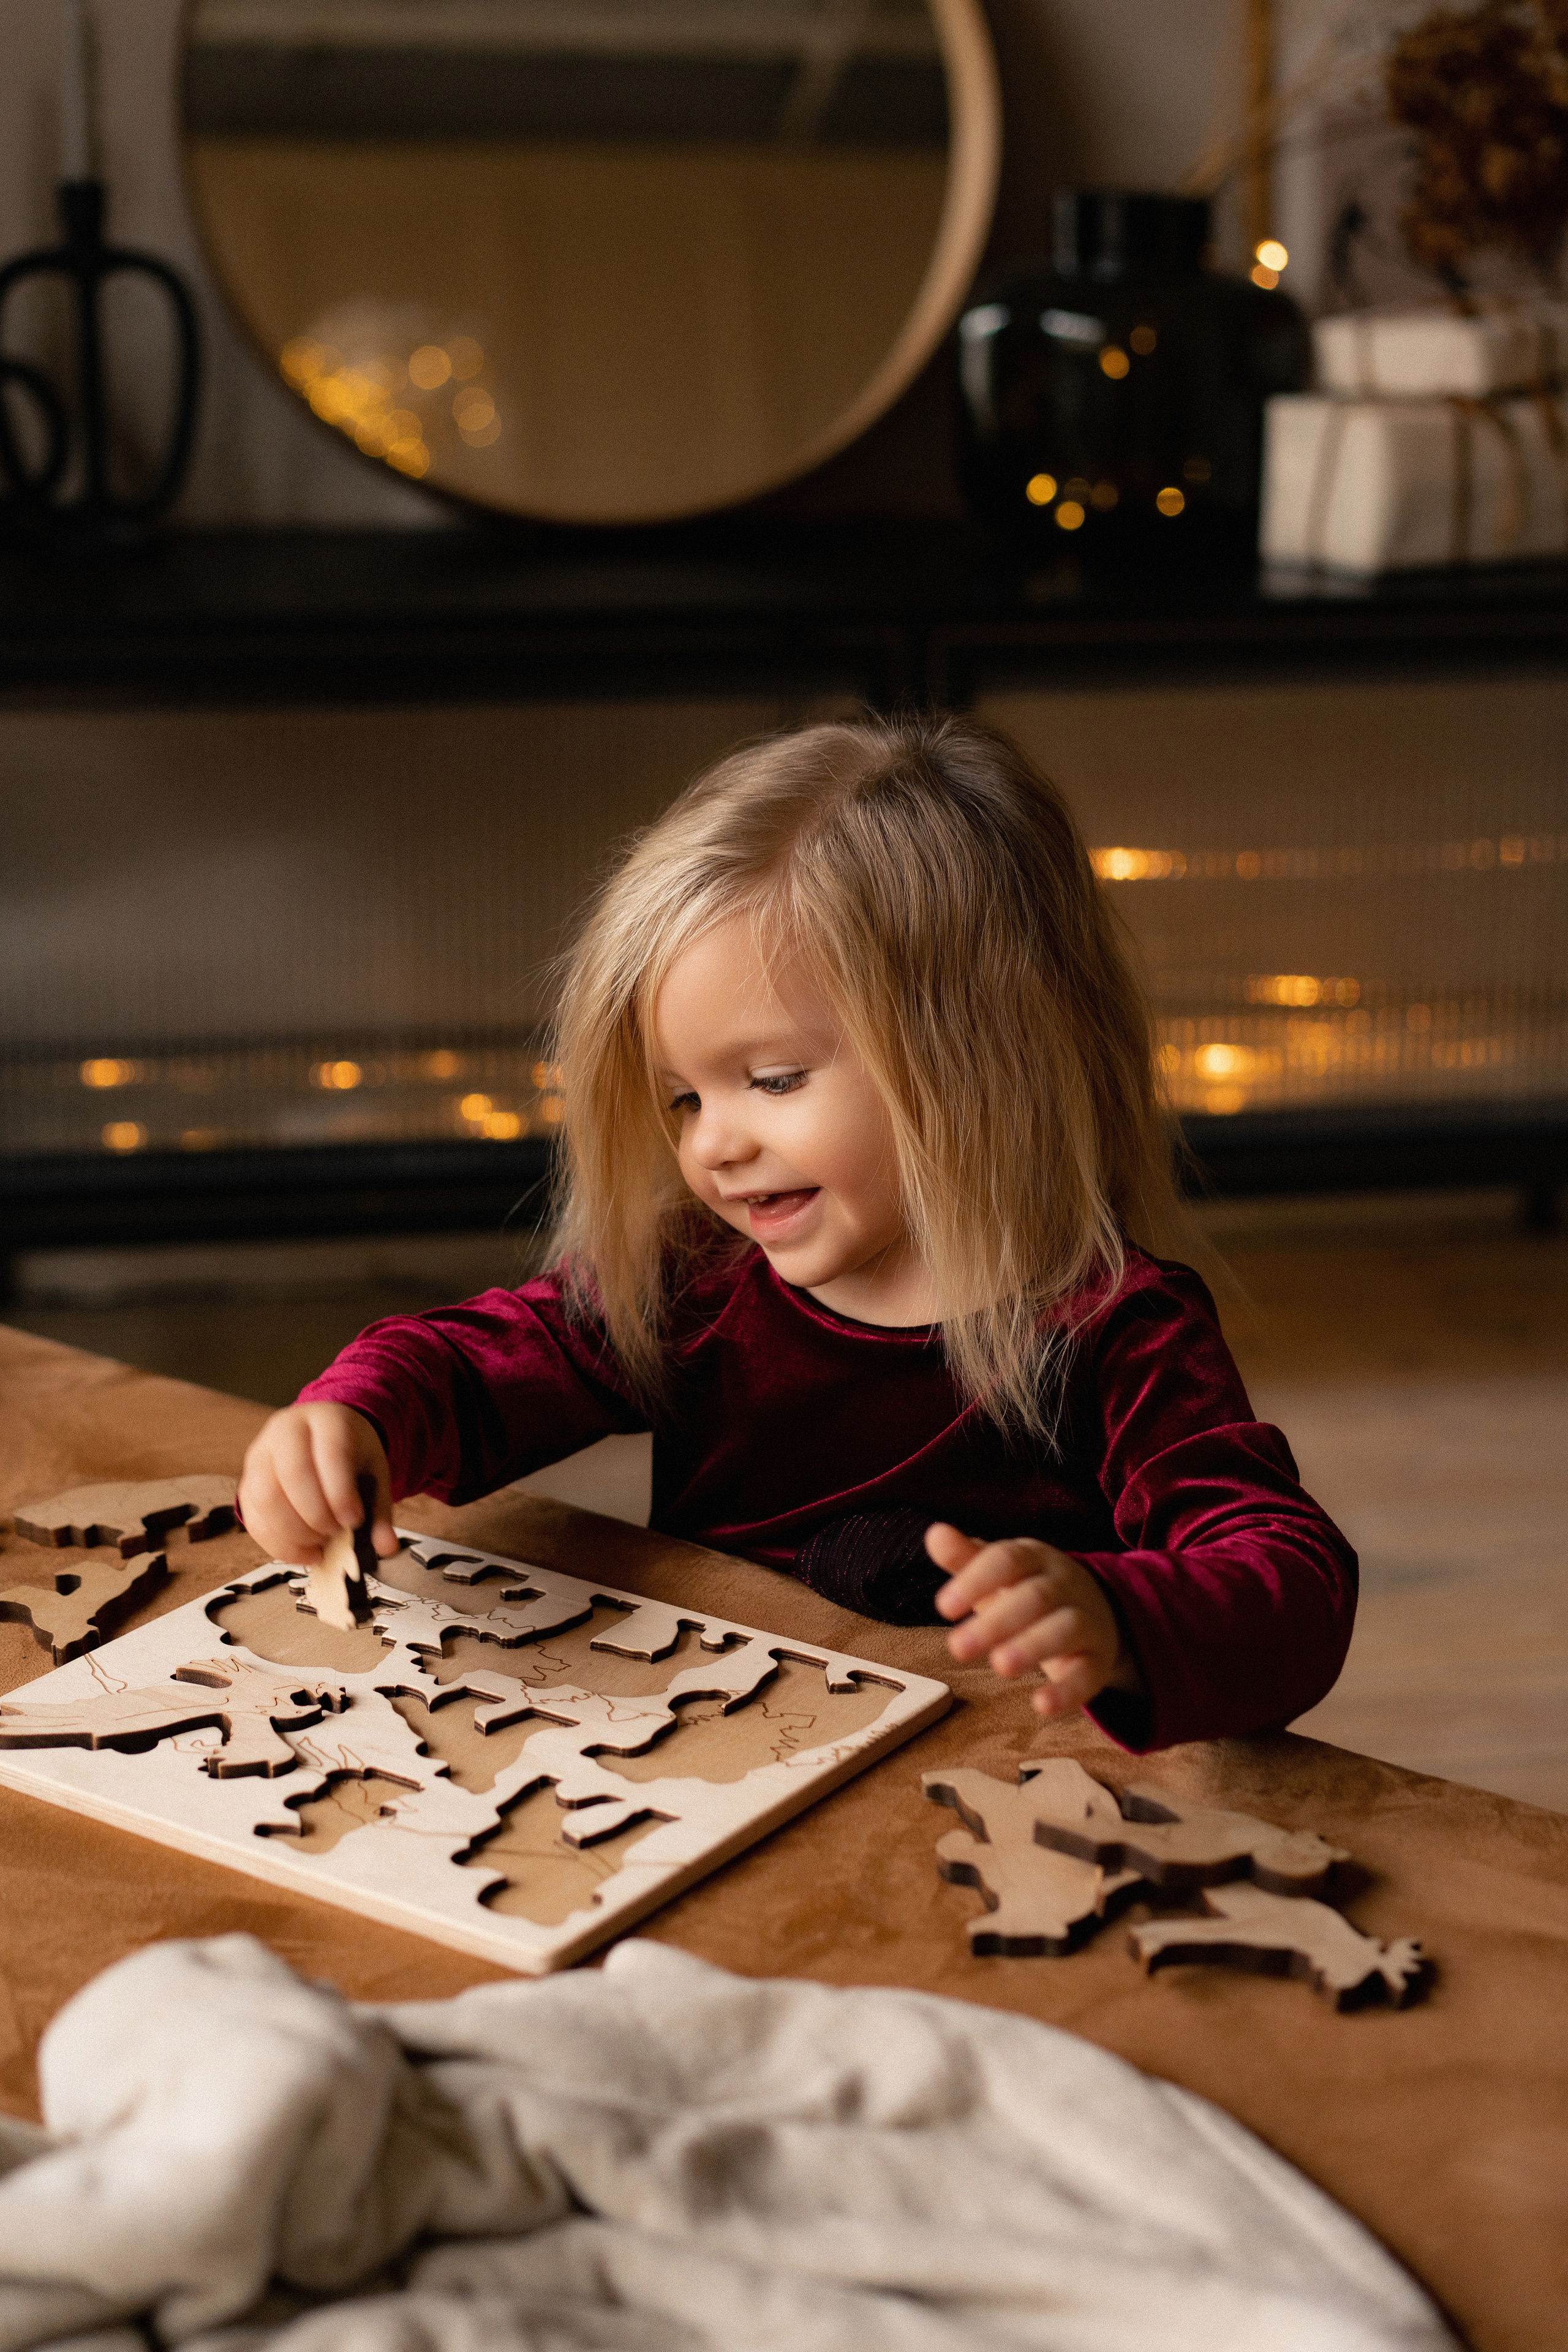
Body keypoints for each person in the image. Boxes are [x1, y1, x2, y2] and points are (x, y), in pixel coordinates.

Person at [238, 715, 1355, 1752]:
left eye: (771, 1080)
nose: (714, 1146)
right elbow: (476, 1368)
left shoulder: (1115, 1331)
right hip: (709, 1755)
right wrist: (356, 1417)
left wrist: (1111, 1612)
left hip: (992, 1789)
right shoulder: (702, 1278)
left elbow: (1290, 1585)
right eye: (684, 1098)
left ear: (981, 1054)